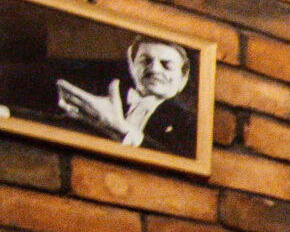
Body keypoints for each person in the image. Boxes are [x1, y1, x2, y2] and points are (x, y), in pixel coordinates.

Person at [55, 36, 198, 157]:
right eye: (146, 61)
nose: (154, 69)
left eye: (166, 65)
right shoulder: (100, 95)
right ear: (131, 64)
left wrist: (124, 131)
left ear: (183, 78)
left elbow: (177, 167)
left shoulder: (188, 124)